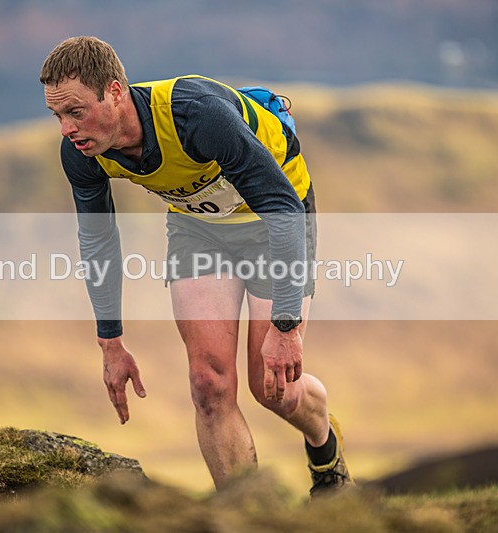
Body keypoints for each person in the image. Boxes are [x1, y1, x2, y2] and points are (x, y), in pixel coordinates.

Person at [39, 36, 353, 497]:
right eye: (57, 116)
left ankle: (325, 449)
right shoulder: (83, 152)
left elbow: (284, 209)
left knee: (274, 390)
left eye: (76, 111)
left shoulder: (195, 115)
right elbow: (98, 240)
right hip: (200, 231)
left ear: (115, 91)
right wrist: (110, 342)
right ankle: (246, 513)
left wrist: (286, 328)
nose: (67, 129)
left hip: (275, 223)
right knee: (208, 385)